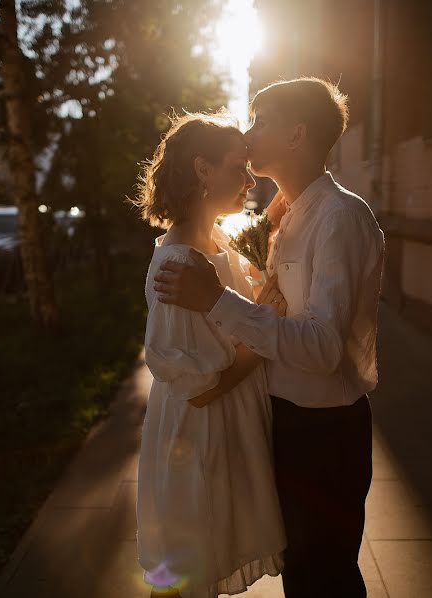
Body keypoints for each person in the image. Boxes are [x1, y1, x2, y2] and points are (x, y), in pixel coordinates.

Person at [152, 78, 385, 597]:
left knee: (323, 579)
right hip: (287, 426)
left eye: (260, 120)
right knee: (303, 575)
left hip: (325, 433)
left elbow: (323, 348)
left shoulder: (340, 218)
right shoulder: (291, 213)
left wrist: (217, 299)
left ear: (297, 134)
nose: (249, 133)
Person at [134, 110, 288, 598]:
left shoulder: (217, 241)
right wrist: (269, 336)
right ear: (203, 170)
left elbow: (239, 284)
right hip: (197, 439)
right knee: (187, 572)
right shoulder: (178, 263)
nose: (247, 180)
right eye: (236, 167)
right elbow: (198, 389)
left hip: (224, 432)